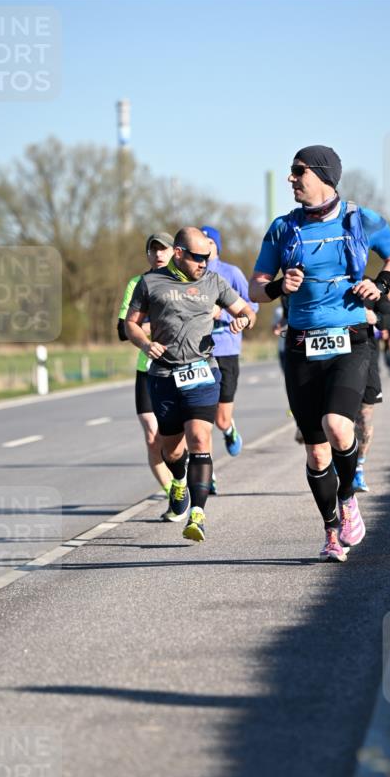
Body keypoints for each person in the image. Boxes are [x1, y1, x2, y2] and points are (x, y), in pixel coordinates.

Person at [249, 145, 390, 562]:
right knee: (317, 450)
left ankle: (348, 496)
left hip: (350, 340)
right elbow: (255, 287)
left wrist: (381, 284)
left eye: (298, 171)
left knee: (338, 426)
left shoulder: (361, 219)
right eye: (291, 171)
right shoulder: (283, 228)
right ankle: (332, 531)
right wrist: (279, 286)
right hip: (302, 346)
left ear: (322, 175)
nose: (291, 179)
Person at [125, 227, 256, 542]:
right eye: (198, 257)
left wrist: (243, 319)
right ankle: (179, 480)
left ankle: (197, 514)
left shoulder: (213, 281)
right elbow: (131, 324)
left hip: (202, 370)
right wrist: (145, 344)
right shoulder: (150, 283)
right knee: (171, 449)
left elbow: (246, 310)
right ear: (179, 254)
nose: (204, 263)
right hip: (164, 375)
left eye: (207, 257)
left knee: (200, 438)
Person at [117, 232, 174, 506]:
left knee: (178, 436)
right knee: (153, 437)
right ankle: (175, 494)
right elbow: (122, 329)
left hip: (180, 366)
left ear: (175, 252)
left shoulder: (184, 281)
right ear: (147, 254)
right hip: (147, 368)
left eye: (164, 249)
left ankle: (192, 476)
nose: (158, 254)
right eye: (153, 250)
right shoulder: (136, 284)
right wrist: (156, 326)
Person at [200, 225, 258, 493]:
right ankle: (207, 474)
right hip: (198, 354)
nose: (205, 246)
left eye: (209, 242)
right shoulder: (189, 275)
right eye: (201, 242)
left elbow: (252, 304)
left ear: (217, 246)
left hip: (226, 351)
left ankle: (229, 429)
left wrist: (223, 314)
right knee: (200, 419)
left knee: (220, 419)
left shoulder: (231, 273)